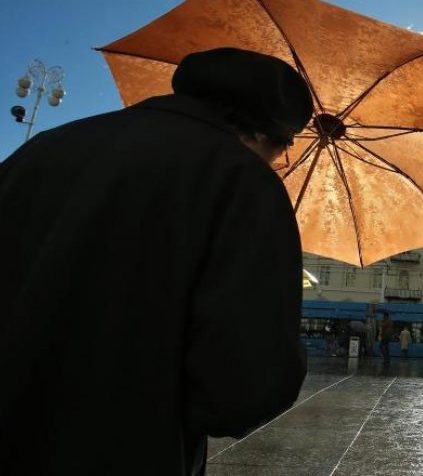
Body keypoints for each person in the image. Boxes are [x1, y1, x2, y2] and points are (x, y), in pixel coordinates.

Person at [0, 48, 312, 475]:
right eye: (284, 149)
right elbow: (244, 390)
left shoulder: (40, 150)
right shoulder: (241, 179)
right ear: (262, 134)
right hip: (121, 450)